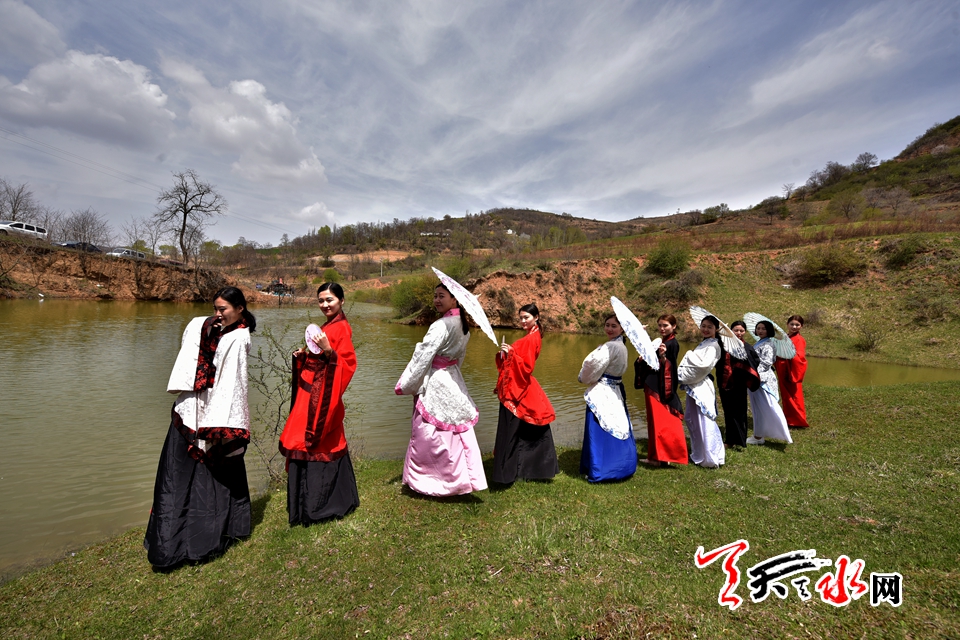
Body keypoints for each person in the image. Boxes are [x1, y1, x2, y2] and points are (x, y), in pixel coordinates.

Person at [144, 287, 255, 568]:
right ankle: (170, 543)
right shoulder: (213, 328)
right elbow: (195, 340)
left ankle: (201, 542)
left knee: (209, 479)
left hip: (214, 416)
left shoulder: (239, 338)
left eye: (223, 309)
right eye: (215, 308)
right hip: (191, 409)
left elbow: (232, 386)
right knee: (177, 474)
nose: (217, 314)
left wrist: (216, 426)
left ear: (240, 309)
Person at [395, 283, 487, 496]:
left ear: (454, 299)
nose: (436, 300)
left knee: (429, 430)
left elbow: (423, 356)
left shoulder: (441, 325)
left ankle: (431, 481)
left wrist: (408, 383)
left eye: (441, 296)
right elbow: (459, 357)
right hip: (453, 376)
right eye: (435, 296)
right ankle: (460, 480)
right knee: (455, 429)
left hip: (437, 378)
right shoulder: (463, 325)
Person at [279, 283, 360, 525]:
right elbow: (318, 359)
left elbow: (348, 365)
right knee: (300, 437)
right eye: (321, 300)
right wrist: (303, 356)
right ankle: (306, 503)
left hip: (322, 397)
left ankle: (318, 505)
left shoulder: (342, 328)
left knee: (317, 438)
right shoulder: (327, 325)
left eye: (330, 300)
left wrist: (329, 352)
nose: (325, 304)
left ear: (342, 301)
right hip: (311, 393)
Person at [492, 303, 559, 484]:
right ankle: (524, 468)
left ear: (536, 317)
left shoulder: (531, 338)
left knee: (512, 429)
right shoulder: (533, 335)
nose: (522, 321)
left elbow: (527, 367)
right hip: (521, 384)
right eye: (520, 317)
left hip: (519, 387)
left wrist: (511, 353)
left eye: (526, 317)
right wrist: (507, 354)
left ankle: (508, 471)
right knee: (523, 429)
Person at [578, 313, 637, 482]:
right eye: (607, 325)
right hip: (616, 391)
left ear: (622, 329)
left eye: (614, 326)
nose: (609, 329)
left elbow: (591, 366)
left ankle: (601, 469)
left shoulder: (610, 347)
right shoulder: (622, 346)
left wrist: (584, 377)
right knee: (618, 424)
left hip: (603, 391)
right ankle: (622, 464)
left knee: (599, 428)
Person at [634, 314, 687, 466]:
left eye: (666, 325)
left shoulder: (672, 344)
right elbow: (652, 360)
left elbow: (670, 366)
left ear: (674, 326)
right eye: (660, 325)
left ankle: (661, 457)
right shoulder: (662, 342)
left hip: (659, 388)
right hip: (653, 385)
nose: (662, 328)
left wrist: (663, 357)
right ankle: (657, 456)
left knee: (659, 422)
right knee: (654, 421)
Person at [678, 316, 725, 468]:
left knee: (704, 420)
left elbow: (703, 366)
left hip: (702, 385)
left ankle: (711, 456)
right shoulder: (705, 343)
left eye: (709, 327)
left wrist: (689, 355)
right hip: (695, 385)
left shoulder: (713, 346)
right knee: (692, 419)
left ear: (716, 329)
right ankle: (700, 453)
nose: (705, 329)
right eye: (703, 326)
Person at [746, 320, 793, 445]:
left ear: (769, 331)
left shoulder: (768, 344)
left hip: (762, 380)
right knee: (758, 408)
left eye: (763, 329)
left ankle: (774, 434)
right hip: (756, 378)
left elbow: (766, 363)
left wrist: (756, 375)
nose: (760, 331)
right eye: (758, 328)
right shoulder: (761, 342)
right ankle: (758, 435)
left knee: (768, 405)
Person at [716, 320, 761, 448]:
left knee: (739, 411)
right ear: (731, 331)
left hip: (739, 384)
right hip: (724, 382)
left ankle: (739, 439)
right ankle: (730, 439)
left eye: (741, 330)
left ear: (745, 332)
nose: (739, 333)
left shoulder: (747, 347)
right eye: (736, 330)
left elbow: (754, 362)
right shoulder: (723, 344)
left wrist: (740, 367)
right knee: (728, 411)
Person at [775, 315, 810, 429]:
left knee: (794, 395)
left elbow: (799, 357)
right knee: (786, 395)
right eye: (792, 324)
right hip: (783, 368)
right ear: (787, 324)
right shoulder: (785, 337)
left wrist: (786, 354)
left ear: (801, 326)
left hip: (791, 370)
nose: (794, 327)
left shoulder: (799, 339)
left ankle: (797, 420)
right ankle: (789, 418)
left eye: (797, 325)